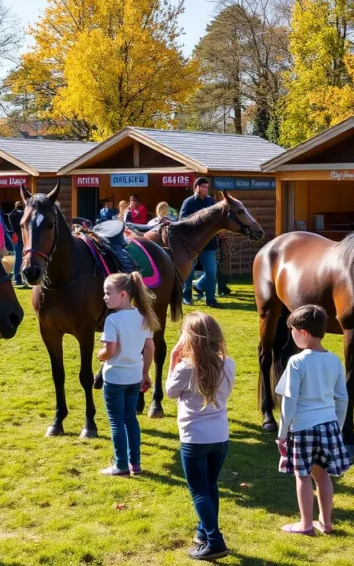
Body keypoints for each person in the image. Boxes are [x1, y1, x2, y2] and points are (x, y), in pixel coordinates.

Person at [275, 305, 350, 537]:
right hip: (329, 425)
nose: (292, 335)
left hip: (303, 427)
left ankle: (305, 524)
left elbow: (289, 402)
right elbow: (343, 398)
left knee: (303, 475)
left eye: (293, 331)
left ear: (303, 332)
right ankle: (326, 523)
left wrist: (282, 432)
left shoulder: (297, 362)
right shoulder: (335, 360)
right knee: (323, 475)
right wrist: (337, 425)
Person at [166, 311, 235, 561]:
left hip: (194, 438)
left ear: (189, 339)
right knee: (210, 486)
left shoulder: (186, 367)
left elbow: (171, 392)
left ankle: (215, 540)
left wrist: (173, 359)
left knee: (199, 491)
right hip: (220, 437)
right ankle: (204, 532)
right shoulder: (228, 364)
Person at [96, 272, 159, 476]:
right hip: (134, 378)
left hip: (114, 378)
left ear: (123, 295)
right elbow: (149, 348)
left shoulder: (112, 320)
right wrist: (146, 372)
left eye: (107, 293)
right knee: (131, 419)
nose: (104, 297)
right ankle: (136, 463)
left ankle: (121, 464)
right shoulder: (143, 317)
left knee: (116, 422)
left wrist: (100, 354)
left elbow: (110, 351)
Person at [181, 178, 220, 308]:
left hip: (209, 244)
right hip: (193, 245)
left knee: (211, 271)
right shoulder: (188, 202)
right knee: (189, 272)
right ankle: (186, 296)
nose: (206, 189)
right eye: (204, 186)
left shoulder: (210, 201)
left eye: (207, 187)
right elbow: (183, 220)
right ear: (196, 187)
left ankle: (210, 299)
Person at [8, 200, 26, 288]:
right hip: (20, 236)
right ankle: (18, 277)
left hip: (14, 236)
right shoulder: (22, 213)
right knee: (20, 257)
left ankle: (17, 277)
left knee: (18, 257)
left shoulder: (11, 214)